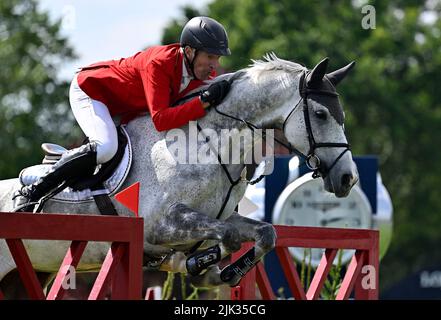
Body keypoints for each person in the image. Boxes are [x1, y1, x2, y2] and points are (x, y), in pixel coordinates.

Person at [12, 16, 232, 212]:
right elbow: (161, 120)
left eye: (218, 58)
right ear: (191, 51)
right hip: (91, 92)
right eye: (211, 57)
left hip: (124, 108)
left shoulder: (197, 70)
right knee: (106, 148)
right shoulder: (160, 62)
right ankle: (32, 191)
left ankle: (74, 169)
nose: (215, 65)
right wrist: (202, 103)